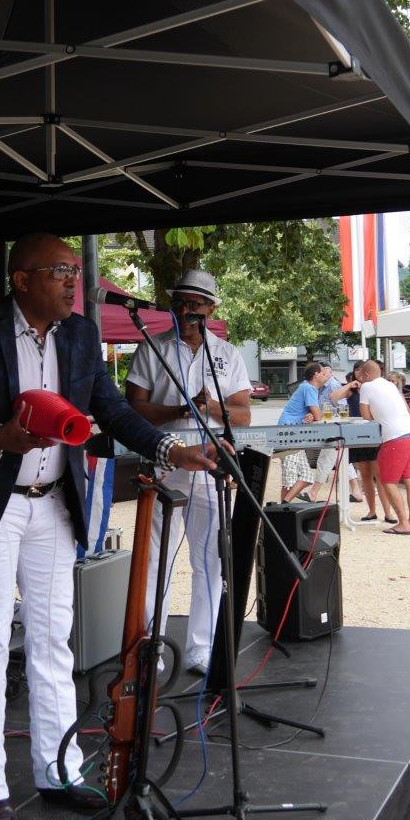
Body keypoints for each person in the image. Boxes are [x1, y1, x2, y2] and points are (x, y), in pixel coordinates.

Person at [0, 234, 220, 820]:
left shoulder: (80, 335)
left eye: (75, 269)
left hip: (53, 503)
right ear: (21, 280)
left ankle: (59, 772)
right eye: (59, 270)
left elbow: (113, 410)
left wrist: (168, 448)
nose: (72, 280)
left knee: (55, 640)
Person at [125, 269, 251, 677]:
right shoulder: (152, 347)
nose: (185, 311)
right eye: (179, 303)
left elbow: (243, 415)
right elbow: (133, 409)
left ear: (210, 308)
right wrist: (180, 409)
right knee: (154, 559)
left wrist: (208, 406)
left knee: (209, 560)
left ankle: (202, 648)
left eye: (194, 304)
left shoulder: (227, 354)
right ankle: (150, 649)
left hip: (209, 464)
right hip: (164, 460)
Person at [277, 363, 362, 503]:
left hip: (296, 434)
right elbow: (318, 414)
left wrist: (313, 414)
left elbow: (316, 413)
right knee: (290, 477)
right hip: (290, 433)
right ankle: (283, 507)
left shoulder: (310, 387)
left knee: (306, 476)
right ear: (316, 375)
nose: (327, 375)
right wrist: (315, 414)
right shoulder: (309, 388)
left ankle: (286, 504)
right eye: (323, 373)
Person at [357, 360, 410, 535]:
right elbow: (406, 409)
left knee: (388, 481)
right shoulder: (391, 385)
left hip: (394, 438)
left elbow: (366, 416)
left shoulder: (366, 386)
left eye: (361, 376)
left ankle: (403, 523)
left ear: (366, 375)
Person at [330, 361, 395, 523]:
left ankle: (388, 513)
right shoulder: (352, 390)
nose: (359, 373)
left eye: (362, 370)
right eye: (356, 370)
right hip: (357, 435)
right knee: (365, 475)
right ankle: (371, 511)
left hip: (374, 434)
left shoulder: (374, 388)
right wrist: (349, 385)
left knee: (379, 475)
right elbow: (333, 398)